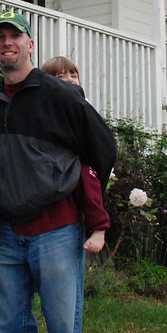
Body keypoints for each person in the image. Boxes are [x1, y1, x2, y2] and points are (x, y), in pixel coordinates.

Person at [0, 11, 117, 333]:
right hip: (7, 231)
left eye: (15, 36)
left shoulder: (59, 95)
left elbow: (102, 148)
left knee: (62, 327)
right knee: (9, 323)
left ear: (30, 44)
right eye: (0, 38)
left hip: (57, 228)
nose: (7, 43)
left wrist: (73, 190)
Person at [39, 56, 109, 256]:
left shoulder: (82, 103)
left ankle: (98, 228)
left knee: (87, 179)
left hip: (79, 161)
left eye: (73, 75)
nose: (70, 80)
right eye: (61, 76)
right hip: (54, 165)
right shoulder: (44, 105)